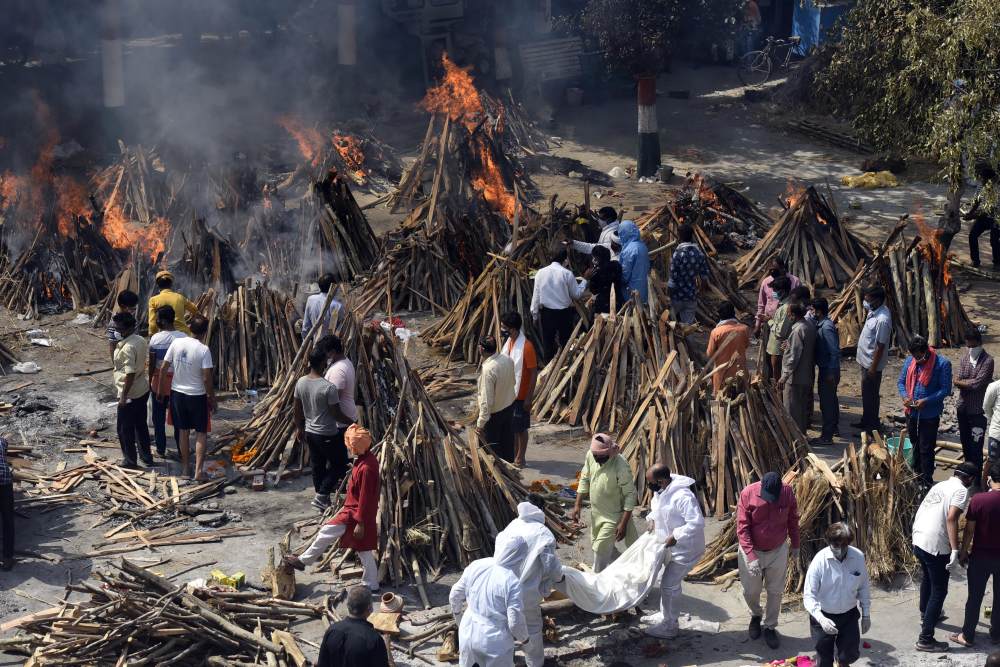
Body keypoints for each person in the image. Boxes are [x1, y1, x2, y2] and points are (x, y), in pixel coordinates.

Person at [284, 425, 380, 590]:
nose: (348, 448)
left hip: (355, 513)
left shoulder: (366, 468)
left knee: (326, 532)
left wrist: (360, 523)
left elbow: (365, 497)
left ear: (355, 446)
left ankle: (303, 561)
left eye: (350, 445)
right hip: (356, 512)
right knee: (363, 549)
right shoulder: (366, 460)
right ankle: (372, 584)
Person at [911, 462, 977, 652]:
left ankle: (926, 614)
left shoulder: (939, 485)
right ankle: (925, 639)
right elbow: (951, 518)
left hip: (919, 538)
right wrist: (955, 550)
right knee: (939, 591)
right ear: (970, 479)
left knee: (928, 580)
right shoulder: (961, 491)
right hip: (935, 543)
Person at [494, 494, 564, 666]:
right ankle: (535, 663)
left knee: (504, 627)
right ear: (541, 510)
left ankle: (506, 661)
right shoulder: (543, 532)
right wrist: (558, 579)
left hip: (500, 587)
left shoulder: (512, 525)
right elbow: (550, 564)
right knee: (532, 628)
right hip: (525, 592)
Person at [736, 472, 800, 648]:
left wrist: (795, 546)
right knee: (750, 590)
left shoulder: (787, 492)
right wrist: (750, 556)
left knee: (776, 591)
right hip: (752, 550)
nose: (770, 500)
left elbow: (793, 520)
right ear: (761, 485)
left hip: (778, 550)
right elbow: (742, 528)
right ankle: (756, 616)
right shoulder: (748, 493)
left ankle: (770, 627)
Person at [642, 463, 706, 639]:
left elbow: (696, 522)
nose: (650, 487)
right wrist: (651, 519)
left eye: (651, 483)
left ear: (661, 481)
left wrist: (676, 535)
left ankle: (670, 626)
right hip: (668, 546)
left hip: (686, 548)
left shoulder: (683, 496)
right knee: (665, 581)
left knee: (669, 585)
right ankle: (664, 616)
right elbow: (658, 508)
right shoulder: (661, 490)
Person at [449, 535, 529, 667]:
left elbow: (454, 595)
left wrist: (459, 619)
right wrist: (524, 638)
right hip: (494, 639)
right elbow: (514, 621)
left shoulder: (477, 564)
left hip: (468, 630)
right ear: (520, 556)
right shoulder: (512, 581)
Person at [803, 523, 872, 667]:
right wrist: (821, 619)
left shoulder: (858, 557)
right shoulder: (819, 561)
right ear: (829, 542)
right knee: (824, 656)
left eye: (844, 545)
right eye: (836, 545)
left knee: (849, 654)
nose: (840, 550)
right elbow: (809, 595)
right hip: (823, 613)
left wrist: (866, 614)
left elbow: (864, 586)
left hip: (848, 614)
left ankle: (842, 663)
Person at [295, 348, 354, 512]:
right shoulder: (328, 388)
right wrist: (353, 423)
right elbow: (336, 414)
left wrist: (299, 428)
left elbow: (297, 410)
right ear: (323, 364)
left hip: (310, 431)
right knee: (340, 464)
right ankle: (322, 495)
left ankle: (321, 498)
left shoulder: (301, 382)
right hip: (327, 432)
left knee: (318, 465)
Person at [570, 434, 638, 572]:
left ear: (609, 452)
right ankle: (621, 569)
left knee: (600, 547)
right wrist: (577, 505)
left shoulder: (620, 465)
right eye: (596, 457)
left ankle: (597, 578)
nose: (598, 460)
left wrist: (623, 524)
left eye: (602, 457)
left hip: (614, 514)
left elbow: (630, 495)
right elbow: (584, 478)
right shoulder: (591, 455)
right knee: (602, 545)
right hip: (597, 512)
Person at [159, 315, 215, 480]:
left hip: (177, 394)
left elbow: (163, 368)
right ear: (205, 332)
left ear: (190, 328)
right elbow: (206, 378)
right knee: (201, 433)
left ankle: (185, 469)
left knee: (183, 432)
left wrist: (161, 390)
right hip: (197, 396)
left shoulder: (176, 343)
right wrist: (211, 397)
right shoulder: (204, 350)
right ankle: (198, 471)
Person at [952, 461, 1000, 648]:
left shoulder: (979, 500)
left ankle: (968, 635)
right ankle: (996, 634)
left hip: (980, 557)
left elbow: (969, 531)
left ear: (989, 480)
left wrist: (963, 552)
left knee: (975, 597)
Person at [897, 335, 954, 486]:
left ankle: (926, 479)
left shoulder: (942, 364)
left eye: (919, 356)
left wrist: (926, 400)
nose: (916, 359)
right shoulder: (910, 361)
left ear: (926, 351)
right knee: (914, 444)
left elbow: (945, 389)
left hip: (929, 414)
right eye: (914, 356)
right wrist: (905, 397)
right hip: (911, 413)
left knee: (926, 448)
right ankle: (916, 474)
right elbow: (901, 382)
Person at [530, 245, 587, 361]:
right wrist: (585, 280)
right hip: (564, 314)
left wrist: (534, 316)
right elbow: (576, 294)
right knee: (566, 342)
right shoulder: (567, 274)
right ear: (565, 259)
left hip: (547, 314)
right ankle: (566, 366)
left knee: (548, 343)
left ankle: (548, 368)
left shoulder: (540, 273)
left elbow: (536, 297)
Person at [112, 312, 153, 468]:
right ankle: (146, 456)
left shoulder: (128, 347)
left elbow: (130, 373)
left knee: (124, 429)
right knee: (140, 425)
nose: (116, 331)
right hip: (142, 389)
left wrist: (123, 396)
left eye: (119, 328)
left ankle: (130, 460)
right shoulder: (140, 340)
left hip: (130, 393)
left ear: (127, 328)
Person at [317, 585, 390, 667]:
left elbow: (322, 663)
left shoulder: (332, 630)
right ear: (369, 608)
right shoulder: (373, 639)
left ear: (348, 606)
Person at [321, 334, 359, 493]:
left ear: (333, 352)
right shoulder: (345, 363)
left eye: (326, 352)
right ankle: (343, 487)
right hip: (343, 418)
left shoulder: (338, 370)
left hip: (341, 421)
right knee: (340, 458)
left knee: (337, 460)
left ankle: (330, 490)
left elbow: (332, 399)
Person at [147, 306, 186, 458]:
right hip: (177, 382)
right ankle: (181, 450)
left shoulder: (156, 338)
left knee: (158, 418)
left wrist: (149, 380)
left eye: (157, 318)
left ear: (162, 320)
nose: (155, 321)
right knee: (178, 418)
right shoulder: (183, 337)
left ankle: (160, 449)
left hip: (159, 382)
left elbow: (151, 363)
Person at [500, 312, 538, 468]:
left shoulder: (527, 347)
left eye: (504, 327)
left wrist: (529, 398)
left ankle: (520, 458)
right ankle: (514, 454)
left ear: (513, 329)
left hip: (521, 395)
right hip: (509, 394)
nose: (502, 330)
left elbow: (534, 373)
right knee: (513, 428)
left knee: (521, 429)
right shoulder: (509, 342)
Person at [954, 329, 994, 473]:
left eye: (972, 345)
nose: (970, 348)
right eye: (968, 345)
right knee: (965, 444)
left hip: (977, 412)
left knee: (976, 447)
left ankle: (976, 479)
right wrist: (964, 382)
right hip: (963, 409)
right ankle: (967, 476)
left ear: (978, 342)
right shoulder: (965, 359)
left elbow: (976, 383)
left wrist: (962, 382)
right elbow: (958, 378)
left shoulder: (988, 361)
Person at [854, 286, 892, 433]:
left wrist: (872, 368)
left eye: (868, 299)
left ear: (877, 300)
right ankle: (866, 421)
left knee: (871, 396)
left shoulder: (883, 319)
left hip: (871, 364)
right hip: (864, 360)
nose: (865, 301)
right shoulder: (874, 312)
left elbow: (880, 346)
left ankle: (871, 428)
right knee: (866, 394)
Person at [476, 336, 517, 463]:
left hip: (494, 416)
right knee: (507, 446)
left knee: (493, 454)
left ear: (481, 349)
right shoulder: (507, 360)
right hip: (509, 409)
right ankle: (511, 476)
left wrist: (480, 424)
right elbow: (513, 382)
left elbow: (486, 401)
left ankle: (499, 481)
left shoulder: (489, 369)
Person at [779, 302, 817, 434]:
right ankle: (801, 434)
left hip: (795, 377)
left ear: (794, 315)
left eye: (789, 314)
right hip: (807, 374)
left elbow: (793, 356)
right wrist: (788, 344)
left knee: (792, 410)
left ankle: (795, 438)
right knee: (801, 409)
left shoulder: (797, 330)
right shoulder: (809, 326)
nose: (788, 316)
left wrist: (784, 376)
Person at [812, 298, 841, 445]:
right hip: (827, 368)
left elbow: (834, 351)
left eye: (813, 310)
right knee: (831, 400)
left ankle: (826, 437)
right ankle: (833, 428)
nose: (812, 313)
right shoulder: (822, 325)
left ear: (819, 311)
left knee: (827, 403)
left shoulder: (826, 327)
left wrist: (830, 372)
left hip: (828, 370)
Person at [667, 224, 710, 324]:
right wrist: (700, 291)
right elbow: (704, 276)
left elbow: (672, 278)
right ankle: (689, 340)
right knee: (688, 326)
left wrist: (668, 295)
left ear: (680, 236)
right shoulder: (699, 254)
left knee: (673, 325)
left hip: (677, 296)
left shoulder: (678, 254)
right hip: (691, 296)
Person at [706, 301, 751, 394]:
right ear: (733, 313)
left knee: (721, 400)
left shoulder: (716, 332)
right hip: (740, 372)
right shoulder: (744, 329)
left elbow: (709, 353)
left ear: (719, 315)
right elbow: (746, 345)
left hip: (722, 373)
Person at [963, 161, 1000, 269]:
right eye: (981, 178)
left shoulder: (997, 189)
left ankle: (997, 262)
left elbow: (991, 210)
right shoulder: (981, 185)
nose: (981, 181)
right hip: (983, 217)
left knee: (994, 239)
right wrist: (970, 212)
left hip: (996, 218)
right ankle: (975, 261)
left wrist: (973, 216)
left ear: (990, 180)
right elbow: (976, 201)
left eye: (983, 179)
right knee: (972, 235)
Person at [754, 257, 801, 338]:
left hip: (788, 324)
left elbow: (800, 303)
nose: (772, 272)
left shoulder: (795, 281)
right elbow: (761, 304)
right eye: (770, 270)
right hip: (768, 323)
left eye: (775, 269)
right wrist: (757, 325)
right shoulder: (766, 282)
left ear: (783, 268)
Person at [147, 270, 198, 336]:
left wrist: (152, 334)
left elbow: (152, 323)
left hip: (165, 336)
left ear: (158, 285)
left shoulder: (153, 300)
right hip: (183, 335)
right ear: (171, 284)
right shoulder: (180, 297)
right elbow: (195, 310)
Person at [764, 276, 793, 380]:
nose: (774, 293)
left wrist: (769, 321)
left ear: (784, 291)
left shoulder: (786, 308)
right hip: (774, 349)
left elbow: (780, 332)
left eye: (776, 291)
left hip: (778, 349)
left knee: (778, 379)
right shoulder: (782, 305)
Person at [618, 221, 650, 305]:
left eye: (621, 234)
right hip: (644, 289)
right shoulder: (642, 246)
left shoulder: (629, 250)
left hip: (631, 293)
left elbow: (625, 275)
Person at [586, 245, 624, 316]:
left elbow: (594, 290)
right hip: (617, 300)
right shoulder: (616, 265)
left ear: (597, 258)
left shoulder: (596, 273)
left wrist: (590, 277)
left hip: (603, 304)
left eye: (594, 257)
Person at [302, 273, 343, 338]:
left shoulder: (311, 299)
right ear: (333, 287)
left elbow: (306, 326)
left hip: (315, 344)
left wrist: (305, 339)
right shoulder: (337, 305)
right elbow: (340, 329)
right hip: (331, 345)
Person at [107, 290, 139, 361]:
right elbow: (112, 345)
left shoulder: (132, 319)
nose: (133, 311)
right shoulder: (114, 323)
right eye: (132, 309)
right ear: (123, 306)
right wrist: (115, 363)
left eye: (135, 309)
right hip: (121, 357)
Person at [937, 184, 966, 252]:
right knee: (941, 239)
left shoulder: (956, 195)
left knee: (943, 240)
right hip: (948, 222)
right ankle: (940, 254)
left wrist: (949, 216)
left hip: (951, 224)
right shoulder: (952, 193)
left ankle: (941, 256)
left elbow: (953, 211)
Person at [0, 435, 14, 571]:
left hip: (4, 482)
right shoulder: (3, 441)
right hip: (5, 483)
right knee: (8, 520)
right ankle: (7, 558)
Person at [987, 376, 1000, 467]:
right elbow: (986, 406)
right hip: (997, 434)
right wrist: (994, 420)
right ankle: (985, 481)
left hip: (996, 430)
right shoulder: (995, 386)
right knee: (992, 462)